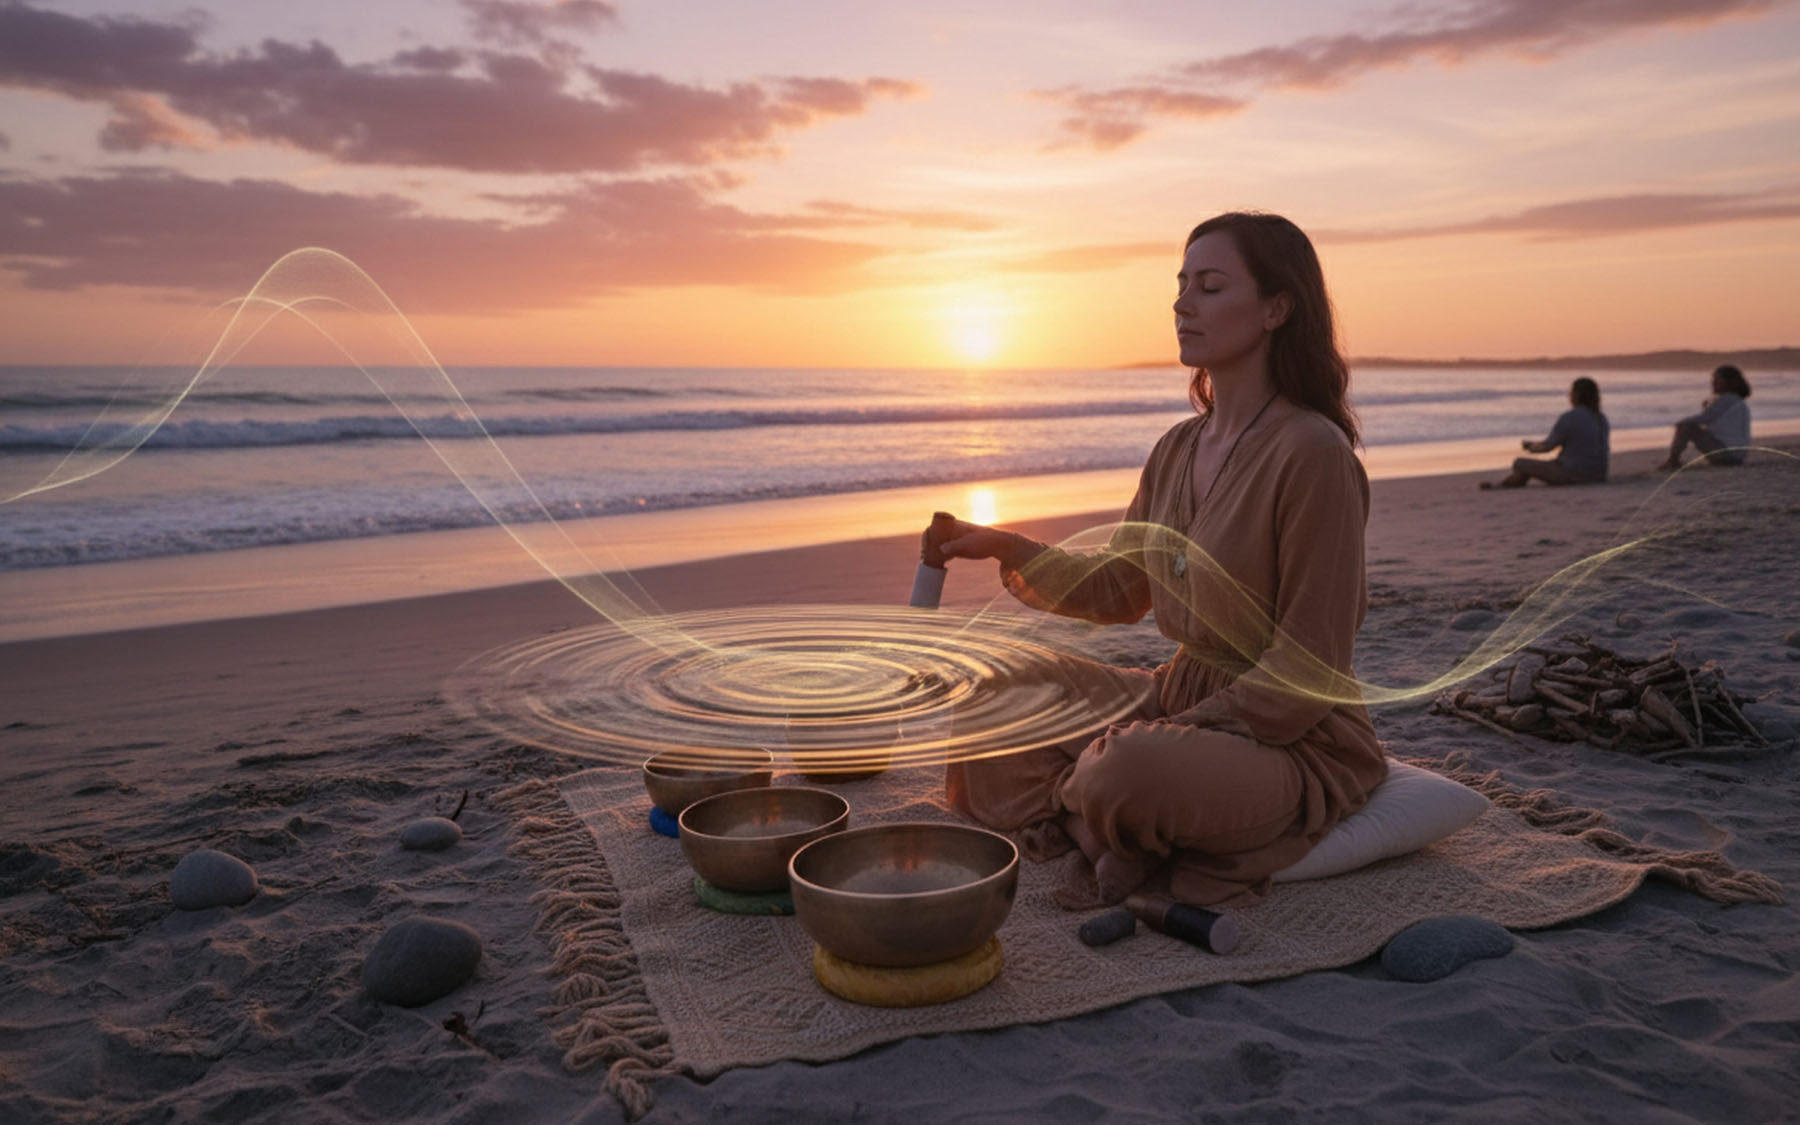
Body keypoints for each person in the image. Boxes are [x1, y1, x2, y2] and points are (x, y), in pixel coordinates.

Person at [925, 212, 1384, 908]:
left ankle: (1098, 810)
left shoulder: (1313, 454)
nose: (1182, 303)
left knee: (1132, 768)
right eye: (1181, 284)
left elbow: (1308, 667)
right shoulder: (1176, 447)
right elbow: (1118, 587)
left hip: (1289, 732)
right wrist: (1007, 546)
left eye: (1210, 285)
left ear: (1276, 308)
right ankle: (1094, 833)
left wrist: (1163, 735)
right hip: (1177, 694)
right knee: (993, 691)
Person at [1482, 377, 1609, 488]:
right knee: (1534, 468)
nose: (1569, 395)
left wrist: (1530, 447)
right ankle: (1512, 482)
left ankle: (1506, 485)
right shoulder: (1601, 418)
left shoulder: (1570, 417)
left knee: (1520, 463)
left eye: (1571, 392)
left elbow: (1548, 447)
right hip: (1598, 474)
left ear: (1577, 395)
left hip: (1574, 474)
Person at [1659, 364, 1752, 470]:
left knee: (1686, 426)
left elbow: (1705, 418)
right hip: (1738, 456)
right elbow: (1714, 423)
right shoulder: (1737, 401)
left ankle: (1673, 461)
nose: (1713, 382)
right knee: (1689, 425)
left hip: (1726, 453)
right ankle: (1673, 461)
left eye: (1717, 379)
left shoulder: (1727, 399)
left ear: (1728, 382)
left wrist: (1681, 423)